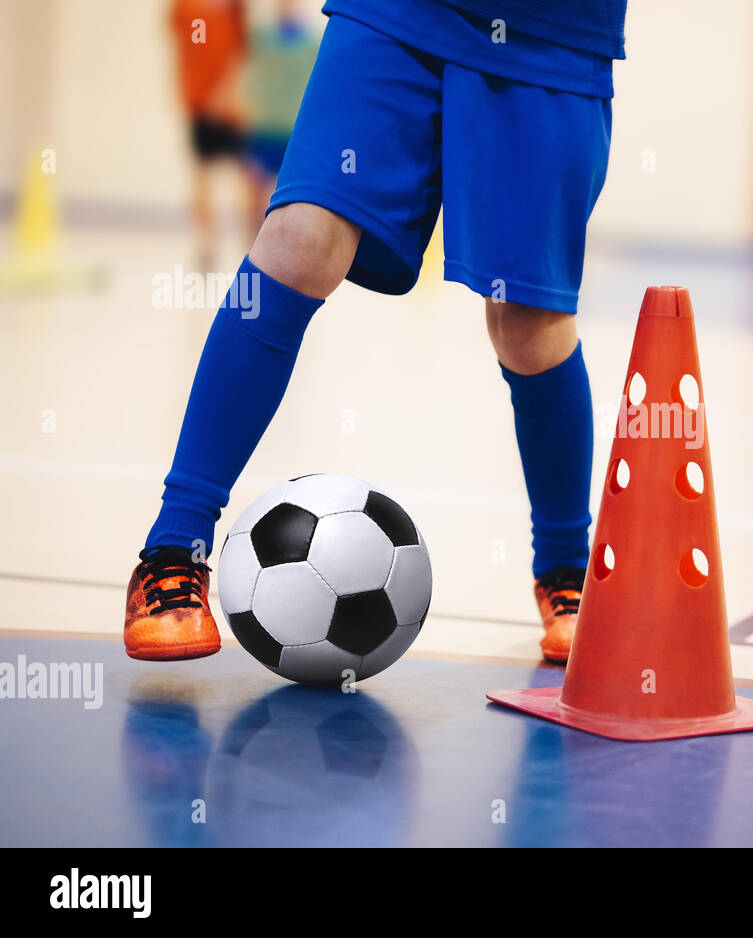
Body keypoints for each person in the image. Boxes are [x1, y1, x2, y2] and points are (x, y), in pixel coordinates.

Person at [126, 0, 627, 666]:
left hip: (555, 33)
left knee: (529, 325)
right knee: (299, 241)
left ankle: (566, 572)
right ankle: (172, 548)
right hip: (397, 13)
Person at [169, 0, 260, 269]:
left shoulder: (234, 10)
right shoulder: (186, 8)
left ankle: (254, 242)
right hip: (201, 105)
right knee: (203, 174)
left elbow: (241, 54)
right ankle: (207, 243)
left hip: (230, 108)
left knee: (247, 176)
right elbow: (185, 49)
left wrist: (226, 93)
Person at [241, 0, 320, 217]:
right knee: (255, 193)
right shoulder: (262, 41)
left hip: (292, 131)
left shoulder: (312, 46)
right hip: (263, 129)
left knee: (288, 196)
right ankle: (253, 244)